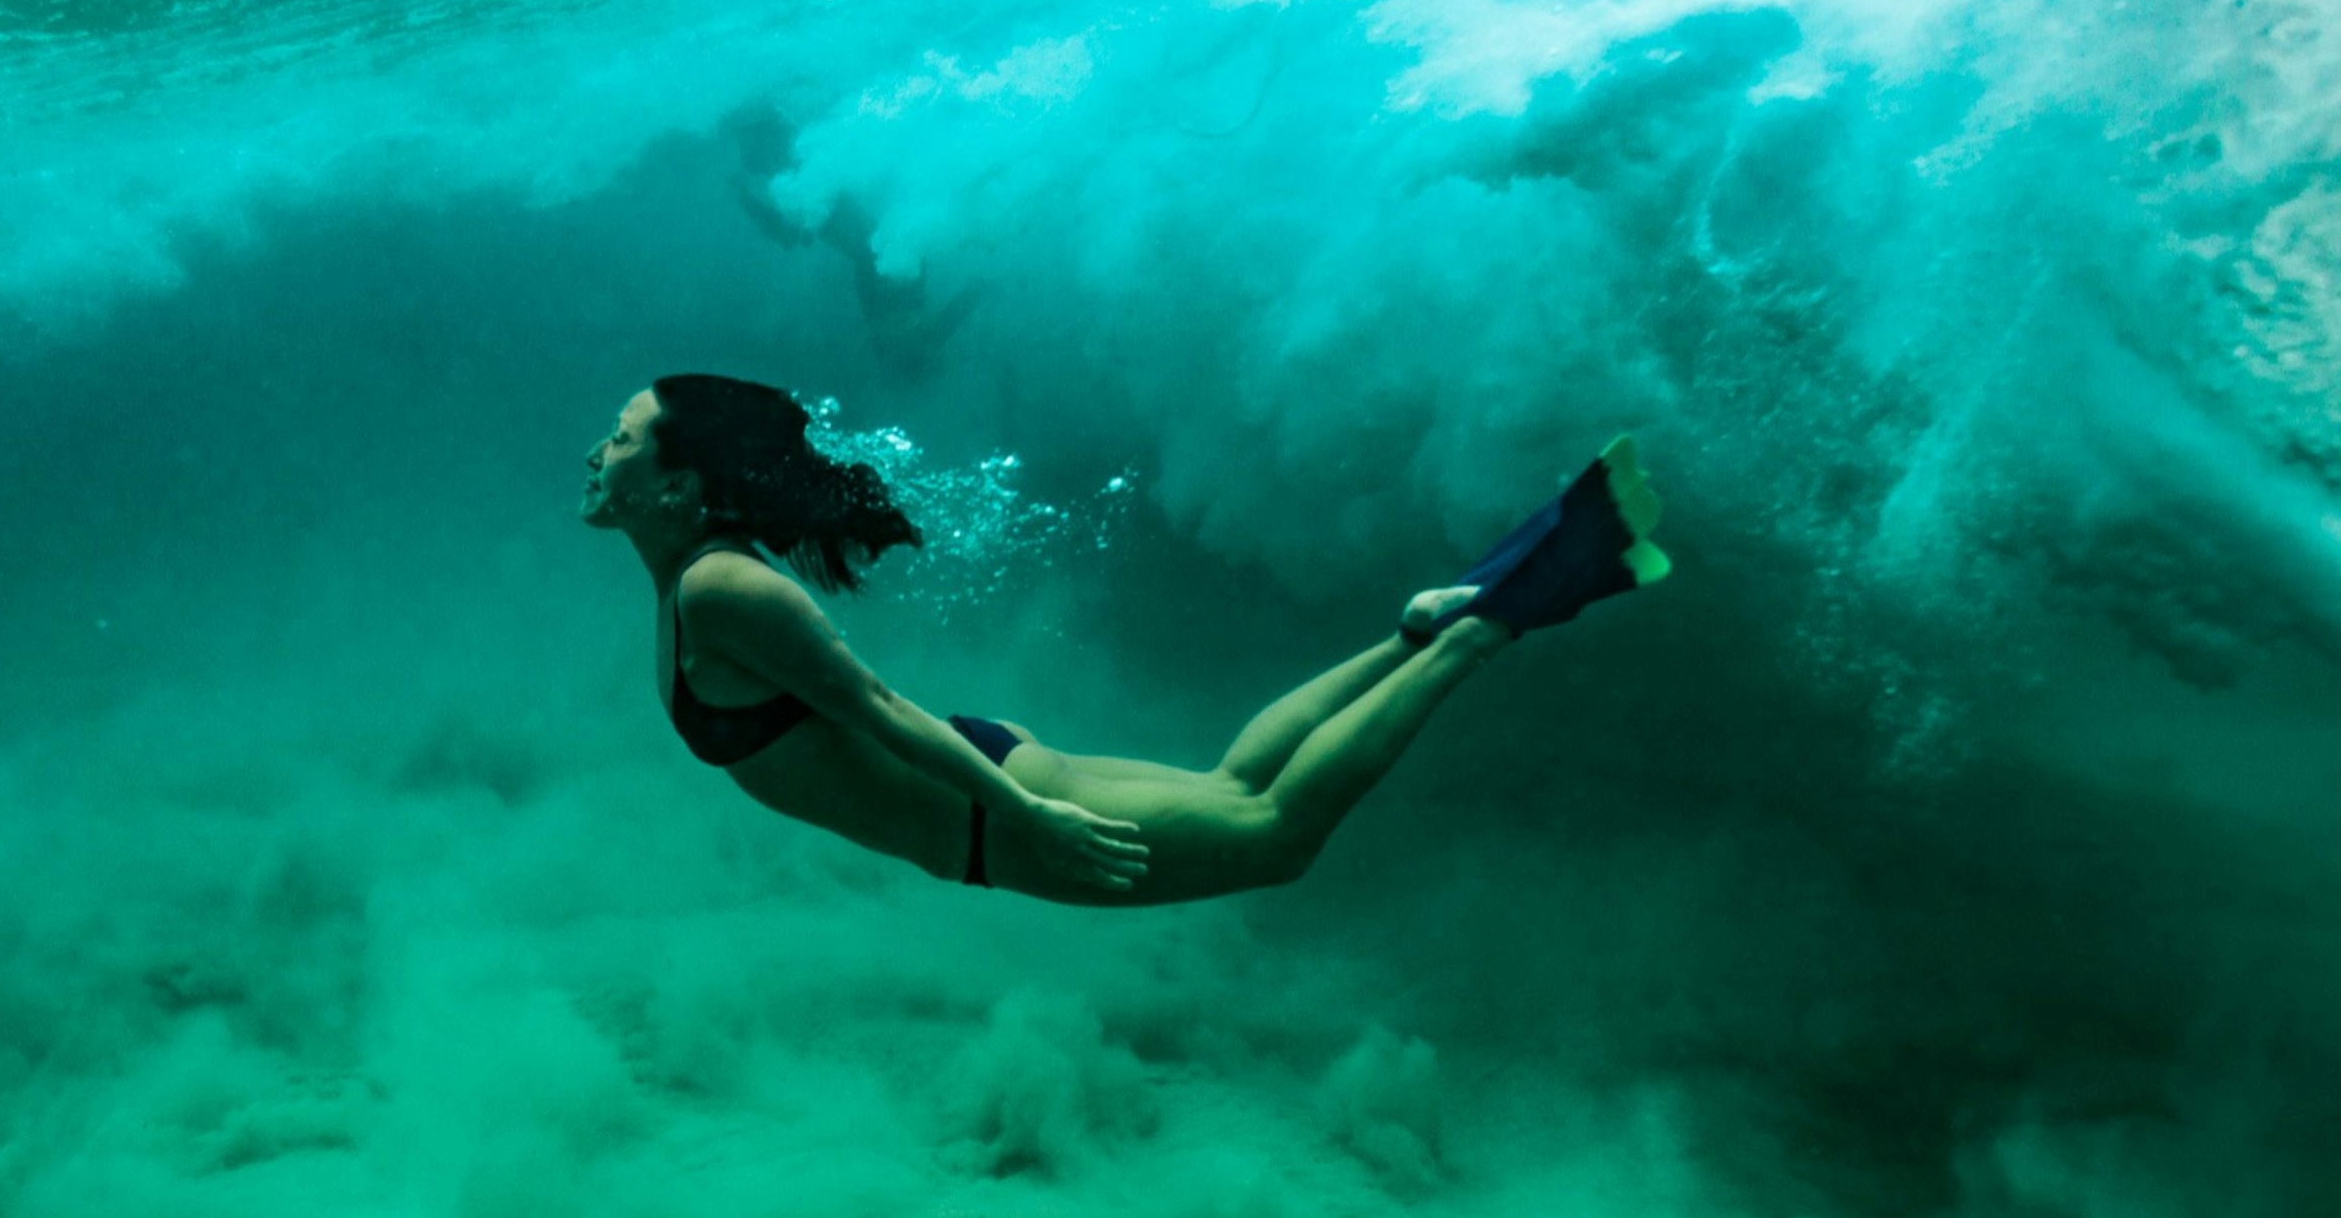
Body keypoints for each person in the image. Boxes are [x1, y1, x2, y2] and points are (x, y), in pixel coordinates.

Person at [583, 374, 1668, 906]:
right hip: (990, 791)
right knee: (1236, 783)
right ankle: (1415, 634)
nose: (600, 448)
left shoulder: (722, 587)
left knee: (1276, 836)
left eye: (622, 437)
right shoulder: (694, 577)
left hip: (990, 816)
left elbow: (877, 709)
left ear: (678, 484)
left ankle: (1477, 635)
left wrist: (1032, 818)